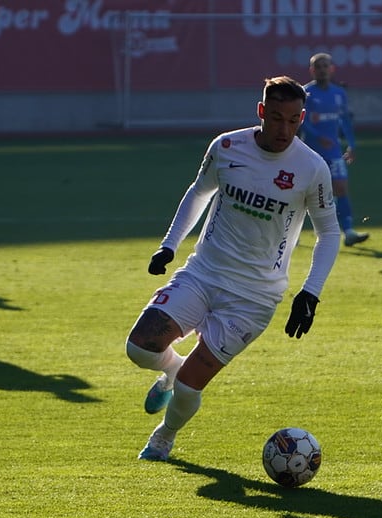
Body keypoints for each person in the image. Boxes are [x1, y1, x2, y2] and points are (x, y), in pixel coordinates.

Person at [126, 76, 340, 461]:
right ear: (261, 112)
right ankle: (171, 368)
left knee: (191, 389)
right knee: (139, 349)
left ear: (302, 118)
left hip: (254, 297)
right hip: (203, 273)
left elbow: (329, 233)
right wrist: (169, 245)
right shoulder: (227, 147)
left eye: (293, 121)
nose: (284, 129)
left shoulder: (311, 168)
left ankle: (164, 436)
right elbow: (199, 192)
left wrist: (310, 292)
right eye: (276, 118)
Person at [301, 52, 369, 247]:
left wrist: (352, 144)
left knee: (341, 189)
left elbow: (345, 120)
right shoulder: (306, 93)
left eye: (325, 66)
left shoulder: (339, 93)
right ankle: (291, 233)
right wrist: (317, 136)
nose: (322, 70)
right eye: (318, 67)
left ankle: (348, 231)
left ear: (332, 69)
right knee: (302, 194)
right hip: (311, 152)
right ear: (312, 70)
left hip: (333, 151)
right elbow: (302, 122)